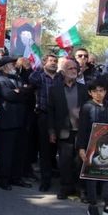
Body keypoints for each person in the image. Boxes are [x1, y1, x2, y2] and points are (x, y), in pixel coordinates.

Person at [48, 58, 88, 200]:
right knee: (65, 162)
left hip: (81, 132)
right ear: (63, 71)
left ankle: (80, 189)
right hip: (64, 132)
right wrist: (51, 131)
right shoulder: (55, 89)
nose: (74, 71)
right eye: (70, 68)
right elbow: (51, 112)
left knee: (80, 162)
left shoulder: (84, 89)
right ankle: (65, 188)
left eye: (75, 69)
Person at [0, 56, 32, 190]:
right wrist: (20, 92)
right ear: (5, 66)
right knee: (6, 153)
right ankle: (3, 179)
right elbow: (9, 95)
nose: (15, 66)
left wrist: (19, 91)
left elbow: (27, 92)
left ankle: (16, 177)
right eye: (12, 64)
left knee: (19, 153)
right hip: (7, 122)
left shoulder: (18, 79)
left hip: (21, 121)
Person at [29, 54, 63, 191]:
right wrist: (40, 68)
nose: (54, 63)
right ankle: (45, 181)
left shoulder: (61, 77)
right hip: (44, 116)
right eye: (51, 61)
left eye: (56, 61)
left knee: (59, 149)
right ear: (44, 63)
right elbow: (32, 79)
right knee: (45, 150)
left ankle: (64, 182)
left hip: (60, 117)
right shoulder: (39, 76)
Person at [77, 77, 108, 215]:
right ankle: (93, 206)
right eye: (95, 91)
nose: (98, 94)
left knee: (106, 177)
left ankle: (107, 205)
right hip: (91, 147)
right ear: (90, 93)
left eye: (101, 91)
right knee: (92, 178)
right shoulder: (87, 107)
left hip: (106, 147)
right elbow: (82, 129)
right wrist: (81, 148)